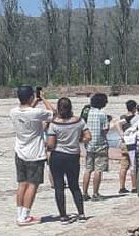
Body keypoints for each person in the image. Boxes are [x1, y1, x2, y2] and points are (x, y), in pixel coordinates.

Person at [10, 86, 56, 226]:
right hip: (34, 153)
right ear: (31, 97)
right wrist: (43, 99)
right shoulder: (36, 112)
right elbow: (53, 113)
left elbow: (29, 113)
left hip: (20, 151)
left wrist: (34, 102)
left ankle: (20, 214)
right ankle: (25, 216)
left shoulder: (13, 112)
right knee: (33, 185)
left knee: (22, 183)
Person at [46, 97, 90, 224]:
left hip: (58, 156)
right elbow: (88, 136)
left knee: (59, 187)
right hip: (73, 156)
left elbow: (51, 144)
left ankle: (63, 216)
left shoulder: (54, 123)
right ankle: (81, 213)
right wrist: (78, 140)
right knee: (74, 186)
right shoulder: (79, 121)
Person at [82, 93, 110, 202]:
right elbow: (105, 130)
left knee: (88, 169)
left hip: (89, 144)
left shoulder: (88, 112)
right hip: (100, 144)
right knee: (98, 170)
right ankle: (95, 193)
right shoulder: (102, 114)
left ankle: (84, 193)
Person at [118, 100, 138, 194]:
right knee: (133, 165)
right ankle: (134, 186)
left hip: (123, 143)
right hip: (132, 142)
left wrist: (121, 135)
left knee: (123, 166)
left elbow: (117, 124)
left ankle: (122, 187)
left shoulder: (122, 117)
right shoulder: (134, 118)